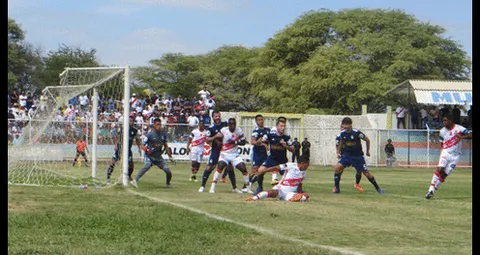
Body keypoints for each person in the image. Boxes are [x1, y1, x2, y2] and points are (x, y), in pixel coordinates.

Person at [425, 114, 472, 199]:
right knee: (439, 169)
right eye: (443, 120)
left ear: (450, 120)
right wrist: (442, 150)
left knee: (444, 175)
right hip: (445, 152)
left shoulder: (459, 129)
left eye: (445, 120)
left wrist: (461, 137)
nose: (443, 122)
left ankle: (433, 190)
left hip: (455, 156)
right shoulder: (442, 131)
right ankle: (430, 189)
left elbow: (470, 136)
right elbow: (442, 142)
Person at [333, 117, 384, 194]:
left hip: (357, 156)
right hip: (347, 155)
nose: (345, 126)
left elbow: (367, 140)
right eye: (344, 124)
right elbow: (340, 142)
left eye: (346, 124)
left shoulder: (357, 133)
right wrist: (338, 152)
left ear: (350, 125)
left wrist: (367, 151)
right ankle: (337, 189)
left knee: (366, 173)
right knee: (337, 167)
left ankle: (378, 188)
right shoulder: (343, 133)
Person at [207, 118, 252, 194]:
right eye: (231, 124)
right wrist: (218, 142)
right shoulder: (224, 130)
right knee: (220, 166)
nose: (233, 126)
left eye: (234, 124)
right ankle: (212, 187)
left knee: (243, 169)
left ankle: (247, 188)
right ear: (228, 125)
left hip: (234, 155)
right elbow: (217, 137)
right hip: (225, 153)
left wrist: (235, 142)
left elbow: (244, 142)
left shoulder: (239, 130)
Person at [130, 118, 176, 188]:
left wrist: (170, 157)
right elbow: (142, 145)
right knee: (147, 166)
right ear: (154, 125)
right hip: (150, 156)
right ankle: (135, 181)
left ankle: (168, 183)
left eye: (160, 124)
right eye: (157, 125)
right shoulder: (150, 134)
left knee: (168, 171)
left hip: (158, 157)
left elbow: (166, 145)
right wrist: (146, 150)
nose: (159, 126)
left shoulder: (163, 134)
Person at [254, 119, 295, 195]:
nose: (283, 128)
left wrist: (286, 146)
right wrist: (261, 141)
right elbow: (259, 141)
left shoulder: (286, 137)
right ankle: (259, 187)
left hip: (282, 161)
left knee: (289, 176)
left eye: (284, 126)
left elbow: (293, 150)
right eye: (281, 126)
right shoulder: (270, 135)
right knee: (260, 171)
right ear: (277, 126)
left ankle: (292, 190)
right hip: (271, 159)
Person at [198, 111, 236, 192]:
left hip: (226, 150)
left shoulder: (225, 124)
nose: (218, 118)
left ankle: (234, 188)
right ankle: (202, 186)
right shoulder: (211, 128)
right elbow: (207, 140)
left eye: (219, 116)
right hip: (216, 150)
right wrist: (215, 137)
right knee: (210, 167)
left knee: (230, 167)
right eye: (216, 116)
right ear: (213, 118)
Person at [106, 116, 142, 184]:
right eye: (129, 120)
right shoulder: (123, 128)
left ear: (133, 122)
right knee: (113, 161)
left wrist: (139, 148)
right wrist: (116, 145)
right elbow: (118, 136)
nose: (130, 122)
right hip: (120, 147)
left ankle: (129, 176)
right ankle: (108, 178)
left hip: (128, 149)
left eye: (131, 121)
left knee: (131, 164)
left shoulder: (135, 130)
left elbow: (137, 140)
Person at [336, 123, 363, 192]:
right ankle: (336, 186)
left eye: (344, 127)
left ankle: (357, 184)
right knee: (340, 170)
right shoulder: (339, 136)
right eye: (342, 127)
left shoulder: (352, 134)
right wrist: (338, 153)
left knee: (359, 170)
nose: (343, 128)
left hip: (354, 155)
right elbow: (338, 146)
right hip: (345, 155)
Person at [248, 114, 271, 192]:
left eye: (262, 119)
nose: (261, 121)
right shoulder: (256, 131)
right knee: (254, 170)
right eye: (259, 120)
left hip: (264, 154)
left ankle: (259, 186)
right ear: (256, 121)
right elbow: (253, 142)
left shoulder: (267, 130)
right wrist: (261, 143)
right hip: (257, 154)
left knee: (263, 171)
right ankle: (246, 185)